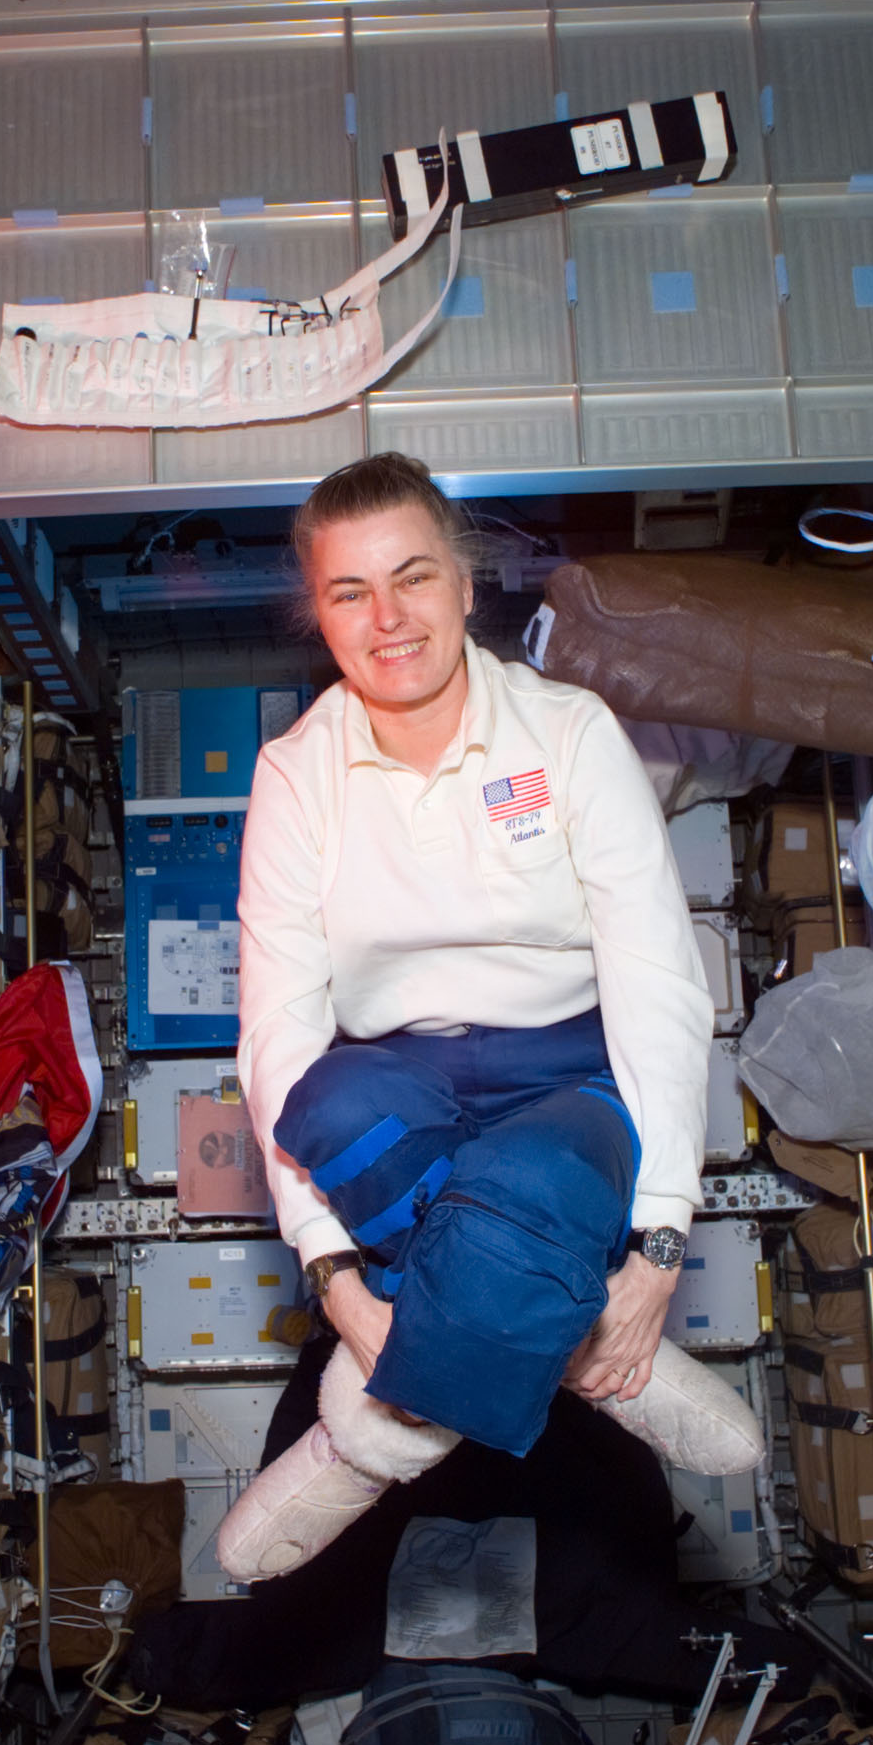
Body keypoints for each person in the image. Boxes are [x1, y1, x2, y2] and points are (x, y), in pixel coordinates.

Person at [213, 454, 762, 1583]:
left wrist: (659, 1245)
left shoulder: (569, 734)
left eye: (413, 577)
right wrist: (334, 1279)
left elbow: (659, 978)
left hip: (567, 1079)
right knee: (328, 1098)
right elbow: (277, 1024)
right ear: (318, 617)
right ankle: (580, 1352)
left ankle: (370, 1438)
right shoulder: (296, 771)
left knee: (529, 1187)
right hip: (392, 1090)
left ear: (468, 585)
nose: (389, 618)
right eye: (349, 592)